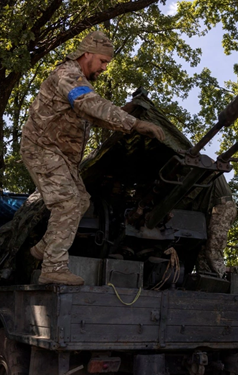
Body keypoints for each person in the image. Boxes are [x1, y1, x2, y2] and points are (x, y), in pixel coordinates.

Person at [21, 30, 166, 286]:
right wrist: (135, 124)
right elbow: (91, 104)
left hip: (59, 155)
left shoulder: (80, 83)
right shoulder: (68, 75)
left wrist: (124, 117)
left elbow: (95, 115)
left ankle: (42, 248)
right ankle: (53, 267)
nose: (104, 68)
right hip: (41, 148)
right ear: (86, 54)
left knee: (81, 202)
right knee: (66, 202)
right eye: (102, 61)